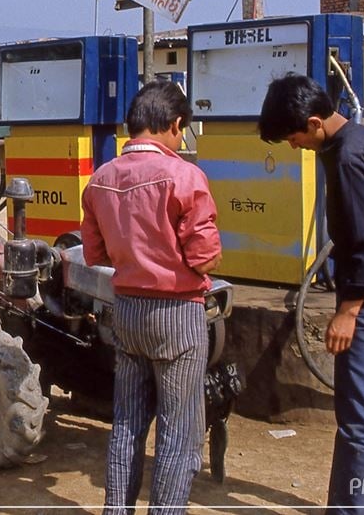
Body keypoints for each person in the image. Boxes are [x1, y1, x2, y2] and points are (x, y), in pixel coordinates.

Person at [258, 73, 364, 514]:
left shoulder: (345, 158)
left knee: (357, 421)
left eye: (294, 136)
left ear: (314, 122)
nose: (294, 146)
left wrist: (350, 308)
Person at [81, 80, 222, 515]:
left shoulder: (101, 179)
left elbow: (95, 253)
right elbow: (205, 257)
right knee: (180, 434)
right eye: (183, 131)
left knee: (126, 422)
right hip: (177, 313)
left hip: (126, 310)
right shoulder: (185, 176)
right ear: (175, 125)